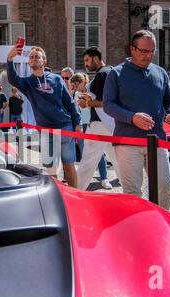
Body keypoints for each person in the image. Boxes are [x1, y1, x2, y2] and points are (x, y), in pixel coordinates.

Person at [103, 29, 170, 210]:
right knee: (132, 192)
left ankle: (162, 224)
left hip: (158, 140)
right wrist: (131, 117)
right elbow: (108, 105)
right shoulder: (116, 73)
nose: (149, 55)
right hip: (127, 141)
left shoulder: (160, 72)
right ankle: (138, 229)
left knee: (164, 186)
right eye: (144, 51)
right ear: (132, 49)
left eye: (152, 51)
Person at [7, 45, 82, 188]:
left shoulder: (57, 79)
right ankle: (59, 198)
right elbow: (13, 79)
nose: (34, 58)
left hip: (65, 126)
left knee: (69, 166)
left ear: (44, 61)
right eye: (31, 57)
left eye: (37, 56)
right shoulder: (27, 83)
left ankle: (75, 196)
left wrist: (77, 122)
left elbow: (69, 102)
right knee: (52, 170)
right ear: (29, 62)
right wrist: (10, 59)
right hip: (46, 131)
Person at [75, 46, 119, 191]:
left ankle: (75, 194)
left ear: (95, 58)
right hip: (109, 125)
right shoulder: (110, 71)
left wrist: (85, 102)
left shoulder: (102, 74)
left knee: (87, 163)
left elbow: (104, 102)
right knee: (119, 163)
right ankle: (133, 194)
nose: (86, 64)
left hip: (100, 125)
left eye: (87, 60)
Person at [71, 73, 112, 189]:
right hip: (86, 124)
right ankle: (82, 184)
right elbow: (78, 110)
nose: (75, 88)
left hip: (98, 124)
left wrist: (88, 102)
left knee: (101, 154)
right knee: (88, 154)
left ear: (81, 82)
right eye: (73, 86)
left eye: (75, 85)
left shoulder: (92, 89)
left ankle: (104, 178)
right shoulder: (77, 95)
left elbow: (97, 105)